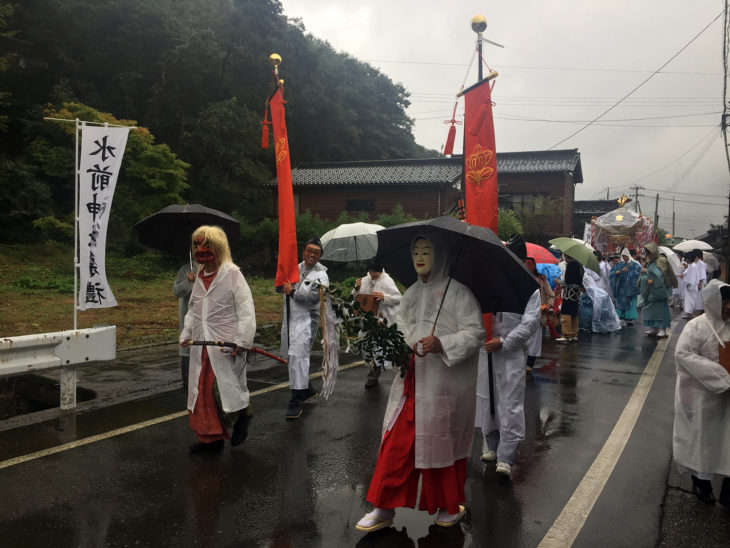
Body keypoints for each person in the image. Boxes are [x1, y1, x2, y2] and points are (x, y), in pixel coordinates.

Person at [356, 235, 485, 532]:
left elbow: (475, 332)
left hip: (443, 385)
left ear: (440, 255)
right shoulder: (411, 293)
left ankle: (448, 505)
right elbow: (401, 328)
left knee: (442, 445)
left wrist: (444, 343)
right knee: (396, 444)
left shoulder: (460, 293)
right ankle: (383, 506)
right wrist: (400, 343)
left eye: (427, 250)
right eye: (416, 250)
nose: (420, 256)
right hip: (411, 382)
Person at [179, 225, 256, 452]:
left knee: (220, 389)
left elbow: (246, 309)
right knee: (201, 391)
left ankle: (243, 414)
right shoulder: (200, 275)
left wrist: (243, 341)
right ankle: (210, 439)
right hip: (201, 344)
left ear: (219, 247)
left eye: (207, 245)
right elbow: (193, 309)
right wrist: (186, 333)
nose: (201, 250)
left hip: (225, 343)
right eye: (197, 245)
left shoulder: (232, 273)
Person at [673, 279, 730, 507]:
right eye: (724, 301)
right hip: (702, 397)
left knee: (726, 440)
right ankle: (701, 483)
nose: (727, 306)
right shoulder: (697, 326)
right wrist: (720, 377)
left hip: (727, 397)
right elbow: (683, 355)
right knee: (704, 440)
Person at [475, 286, 541, 478]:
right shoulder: (483, 286)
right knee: (487, 399)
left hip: (510, 355)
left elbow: (530, 323)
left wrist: (504, 341)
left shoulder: (528, 289)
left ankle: (506, 455)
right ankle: (492, 445)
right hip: (485, 352)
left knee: (510, 403)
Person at [280, 236, 329, 420]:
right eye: (309, 250)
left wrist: (291, 291)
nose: (312, 255)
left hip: (306, 322)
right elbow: (280, 288)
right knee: (292, 357)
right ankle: (306, 390)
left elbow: (313, 299)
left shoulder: (322, 275)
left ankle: (295, 401)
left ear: (320, 256)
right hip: (290, 318)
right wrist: (283, 281)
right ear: (303, 252)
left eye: (316, 252)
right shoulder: (294, 268)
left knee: (298, 358)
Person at [352, 261, 402, 387]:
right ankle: (373, 375)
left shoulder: (387, 281)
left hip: (383, 320)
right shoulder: (364, 280)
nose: (373, 274)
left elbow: (398, 298)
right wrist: (356, 288)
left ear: (380, 271)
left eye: (375, 272)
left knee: (383, 348)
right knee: (369, 348)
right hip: (368, 320)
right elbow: (356, 298)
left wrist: (384, 296)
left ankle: (403, 372)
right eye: (371, 272)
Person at [524, 257, 554, 371]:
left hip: (538, 314)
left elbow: (551, 295)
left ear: (534, 265)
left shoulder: (541, 279)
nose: (528, 266)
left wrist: (547, 305)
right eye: (526, 263)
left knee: (535, 340)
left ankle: (529, 364)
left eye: (530, 264)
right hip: (522, 314)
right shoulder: (519, 276)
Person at [639, 243, 675, 338]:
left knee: (661, 310)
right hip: (650, 290)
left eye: (649, 253)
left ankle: (662, 329)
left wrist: (646, 272)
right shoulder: (649, 261)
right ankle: (653, 328)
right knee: (651, 310)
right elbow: (644, 275)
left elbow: (660, 275)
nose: (648, 255)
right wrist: (645, 278)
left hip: (659, 289)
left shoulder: (662, 261)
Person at [173, 262, 195, 389]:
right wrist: (188, 280)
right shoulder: (186, 269)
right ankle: (187, 385)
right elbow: (176, 291)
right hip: (189, 317)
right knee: (188, 349)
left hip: (208, 321)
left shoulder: (215, 267)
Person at [555, 254, 584, 342]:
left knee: (566, 313)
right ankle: (574, 334)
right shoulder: (580, 264)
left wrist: (558, 281)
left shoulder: (571, 264)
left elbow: (568, 281)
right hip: (576, 293)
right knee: (574, 314)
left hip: (569, 294)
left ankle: (566, 335)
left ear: (567, 257)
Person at [609, 248, 641, 327]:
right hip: (621, 287)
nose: (624, 258)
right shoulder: (620, 264)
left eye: (625, 256)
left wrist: (629, 272)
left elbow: (639, 274)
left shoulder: (634, 264)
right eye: (622, 256)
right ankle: (621, 317)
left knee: (630, 303)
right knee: (621, 302)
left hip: (630, 287)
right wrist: (618, 272)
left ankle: (630, 318)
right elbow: (612, 273)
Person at [681, 251, 700, 319]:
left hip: (691, 286)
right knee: (689, 300)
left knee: (691, 300)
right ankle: (689, 313)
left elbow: (691, 277)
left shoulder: (693, 266)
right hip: (690, 285)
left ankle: (691, 313)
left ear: (689, 259)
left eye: (687, 258)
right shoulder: (691, 266)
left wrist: (687, 283)